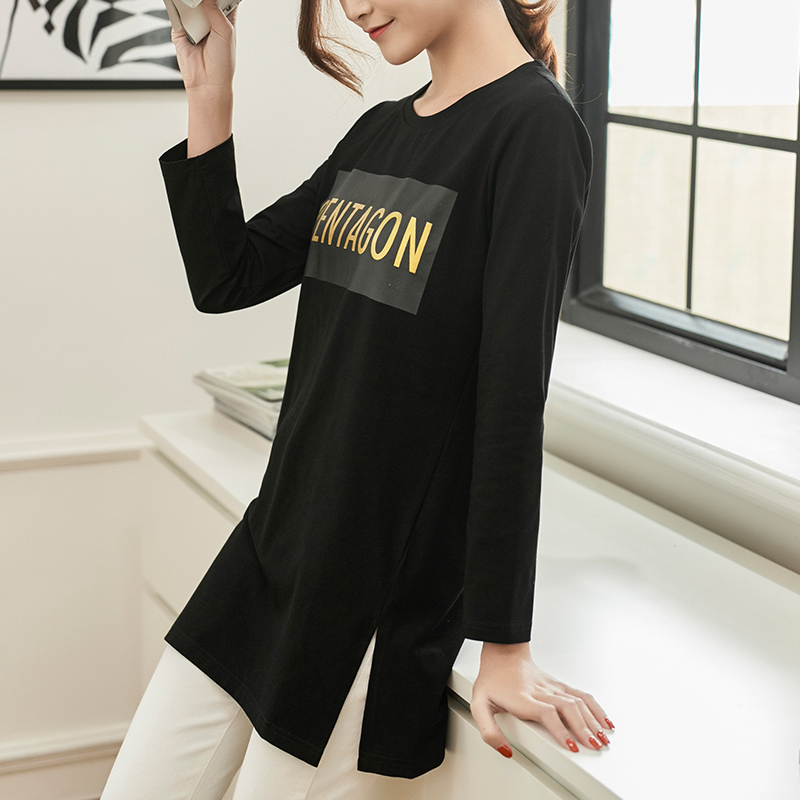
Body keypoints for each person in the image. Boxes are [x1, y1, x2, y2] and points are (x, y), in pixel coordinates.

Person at [101, 1, 613, 798]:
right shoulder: (381, 130)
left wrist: (505, 646)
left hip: (368, 596)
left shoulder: (533, 129)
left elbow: (510, 400)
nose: (353, 7)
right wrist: (210, 92)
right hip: (271, 551)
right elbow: (227, 275)